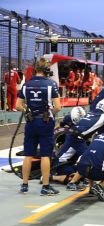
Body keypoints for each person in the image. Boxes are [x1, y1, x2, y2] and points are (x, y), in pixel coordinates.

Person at [16, 58, 61, 195]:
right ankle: (45, 187)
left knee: (28, 154)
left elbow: (18, 106)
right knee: (46, 155)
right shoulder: (51, 84)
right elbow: (58, 107)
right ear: (47, 70)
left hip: (31, 122)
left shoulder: (26, 84)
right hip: (45, 123)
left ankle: (24, 185)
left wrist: (27, 112)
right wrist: (49, 113)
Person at [52, 106, 87, 187]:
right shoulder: (77, 138)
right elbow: (86, 156)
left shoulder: (69, 118)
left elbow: (63, 122)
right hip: (61, 163)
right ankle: (52, 177)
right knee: (76, 177)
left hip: (69, 161)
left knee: (80, 172)